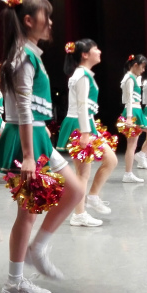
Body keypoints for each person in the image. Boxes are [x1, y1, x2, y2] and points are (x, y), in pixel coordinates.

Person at [0, 0, 84, 293]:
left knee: (75, 191)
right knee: (27, 214)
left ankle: (38, 248)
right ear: (28, 20)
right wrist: (28, 156)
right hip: (26, 141)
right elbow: (24, 109)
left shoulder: (30, 53)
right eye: (47, 16)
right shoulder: (22, 57)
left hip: (39, 136)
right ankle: (14, 282)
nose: (51, 22)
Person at [55, 39, 117, 226]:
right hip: (80, 125)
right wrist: (84, 133)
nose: (99, 51)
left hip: (85, 123)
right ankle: (81, 211)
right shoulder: (81, 75)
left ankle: (90, 200)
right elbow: (81, 106)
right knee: (84, 173)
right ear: (84, 54)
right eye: (95, 49)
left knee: (102, 164)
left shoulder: (83, 74)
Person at [120, 54, 147, 182]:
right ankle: (128, 173)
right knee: (131, 145)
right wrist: (129, 118)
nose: (144, 70)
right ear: (135, 65)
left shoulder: (133, 77)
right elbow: (129, 99)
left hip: (137, 112)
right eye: (143, 67)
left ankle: (140, 156)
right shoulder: (129, 78)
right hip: (133, 113)